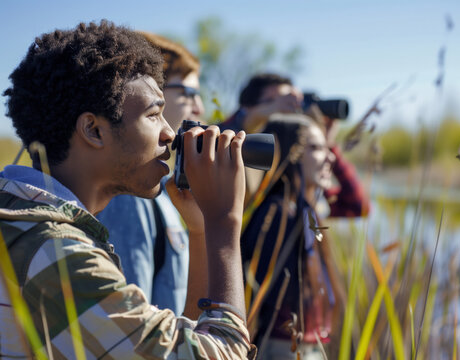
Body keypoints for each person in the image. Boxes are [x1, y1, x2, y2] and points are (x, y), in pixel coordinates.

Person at [0, 20, 254, 359]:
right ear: (93, 129)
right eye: (153, 115)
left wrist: (202, 229)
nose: (169, 133)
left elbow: (173, 343)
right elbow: (222, 353)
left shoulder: (24, 224)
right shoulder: (56, 254)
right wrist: (225, 223)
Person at [97, 32, 206, 318]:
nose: (199, 108)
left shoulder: (157, 187)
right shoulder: (128, 193)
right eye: (187, 93)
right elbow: (131, 325)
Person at [241, 114, 343, 359]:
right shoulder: (276, 214)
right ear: (290, 153)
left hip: (305, 345)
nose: (331, 157)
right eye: (317, 148)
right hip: (281, 347)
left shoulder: (305, 211)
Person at [221, 72, 370, 218]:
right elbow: (230, 135)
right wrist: (259, 116)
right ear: (246, 108)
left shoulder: (298, 174)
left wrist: (326, 142)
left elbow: (357, 206)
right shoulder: (239, 156)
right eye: (273, 100)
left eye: (290, 101)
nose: (284, 107)